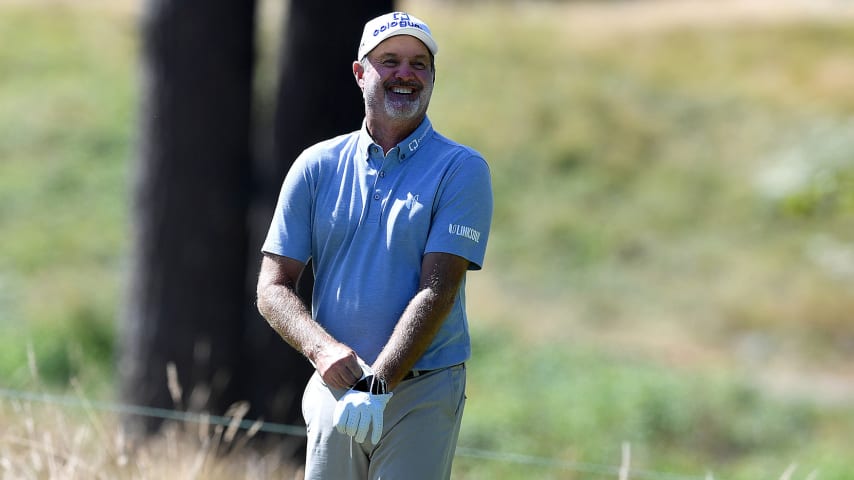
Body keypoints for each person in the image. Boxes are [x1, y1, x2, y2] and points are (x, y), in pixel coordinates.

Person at [256, 11, 493, 480]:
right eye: (390, 61)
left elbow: (438, 289)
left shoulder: (461, 169)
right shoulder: (316, 166)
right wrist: (321, 350)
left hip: (422, 391)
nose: (406, 74)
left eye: (419, 64)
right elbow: (273, 287)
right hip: (336, 384)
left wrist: (379, 383)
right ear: (360, 73)